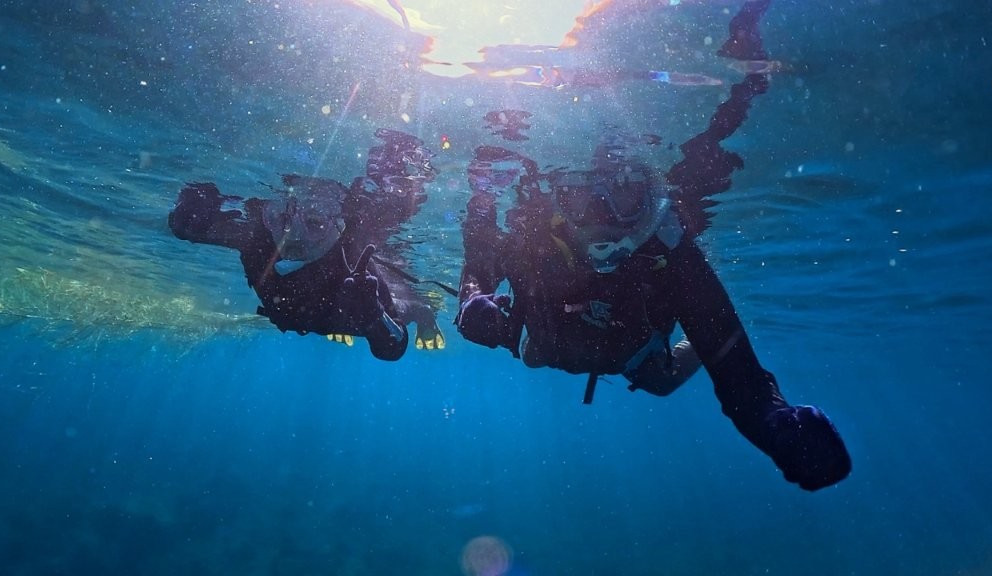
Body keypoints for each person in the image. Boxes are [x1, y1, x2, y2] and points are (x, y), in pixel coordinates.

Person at [453, 0, 849, 492]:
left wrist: (775, 425)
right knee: (634, 373)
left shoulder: (672, 253)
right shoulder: (536, 238)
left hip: (629, 354)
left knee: (659, 377)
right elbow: (480, 261)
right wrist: (472, 302)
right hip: (558, 345)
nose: (601, 217)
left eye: (624, 193)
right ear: (557, 200)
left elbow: (741, 379)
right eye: (580, 196)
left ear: (652, 197)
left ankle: (749, 73)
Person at [168, 128, 446, 360]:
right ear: (267, 214)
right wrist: (188, 217)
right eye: (281, 217)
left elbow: (393, 345)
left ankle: (426, 315)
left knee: (414, 309)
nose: (294, 234)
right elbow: (190, 226)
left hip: (340, 316)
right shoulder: (258, 236)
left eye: (315, 223)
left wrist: (374, 319)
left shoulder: (354, 265)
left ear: (339, 227)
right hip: (317, 317)